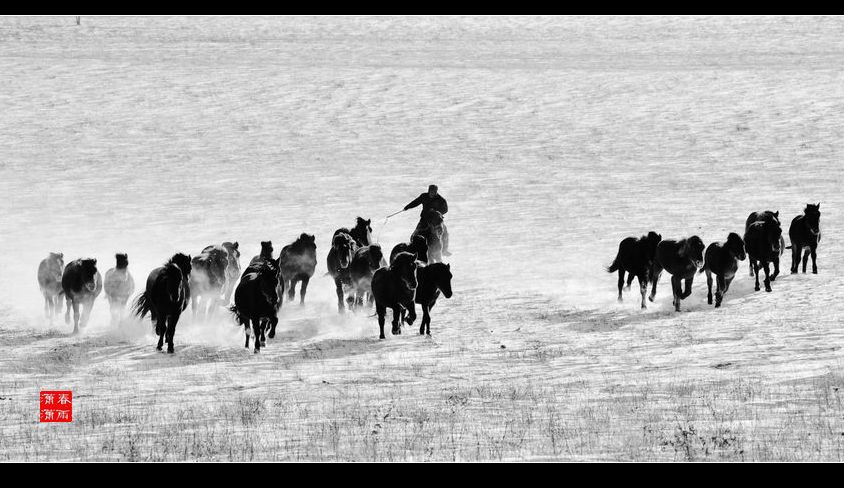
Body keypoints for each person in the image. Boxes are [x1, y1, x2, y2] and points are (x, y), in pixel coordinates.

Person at [404, 184, 450, 256]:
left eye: (434, 192)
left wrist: (436, 211)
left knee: (445, 232)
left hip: (436, 220)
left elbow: (445, 209)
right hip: (424, 219)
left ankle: (444, 250)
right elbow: (416, 202)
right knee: (415, 233)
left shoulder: (441, 199)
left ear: (436, 192)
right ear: (428, 191)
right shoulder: (424, 196)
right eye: (431, 192)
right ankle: (412, 248)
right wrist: (407, 207)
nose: (432, 194)